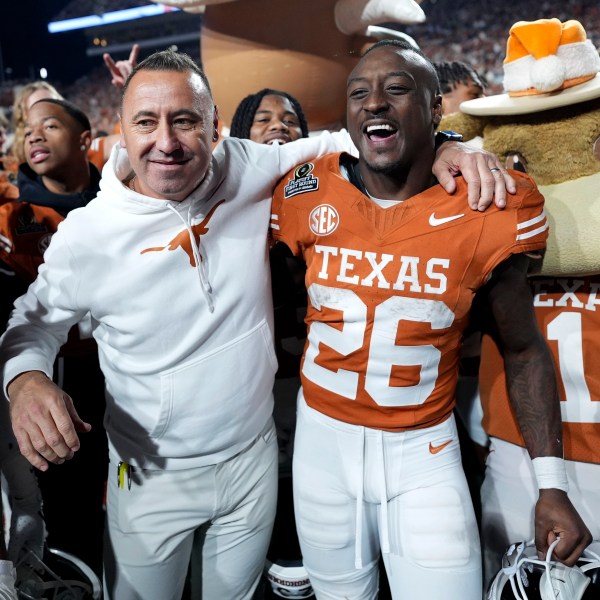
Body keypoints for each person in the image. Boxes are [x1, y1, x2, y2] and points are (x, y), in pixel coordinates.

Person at [1, 48, 515, 600]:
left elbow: (354, 139)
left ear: (216, 126)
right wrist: (26, 379)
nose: (166, 142)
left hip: (253, 464)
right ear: (120, 133)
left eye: (186, 120)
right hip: (151, 479)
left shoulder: (245, 166)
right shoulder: (87, 235)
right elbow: (29, 327)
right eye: (146, 123)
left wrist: (448, 148)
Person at [270, 39, 591, 599]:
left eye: (396, 89)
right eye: (359, 93)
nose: (375, 103)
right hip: (322, 447)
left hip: (423, 452)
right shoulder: (304, 191)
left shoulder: (486, 205)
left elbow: (522, 349)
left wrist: (551, 486)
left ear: (435, 107)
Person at [0, 98, 107, 575]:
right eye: (28, 130)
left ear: (86, 138)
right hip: (60, 378)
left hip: (132, 370)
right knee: (68, 503)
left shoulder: (128, 195)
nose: (35, 136)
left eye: (51, 125)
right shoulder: (12, 215)